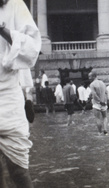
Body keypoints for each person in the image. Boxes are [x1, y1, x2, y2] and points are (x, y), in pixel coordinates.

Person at [0, 0, 41, 187]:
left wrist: (3, 31)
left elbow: (33, 48)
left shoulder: (14, 5)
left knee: (19, 170)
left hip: (8, 95)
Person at [89, 71, 108, 135]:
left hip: (97, 103)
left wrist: (99, 101)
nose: (89, 78)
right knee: (105, 117)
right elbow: (106, 92)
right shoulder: (102, 82)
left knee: (98, 118)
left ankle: (100, 133)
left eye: (90, 76)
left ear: (94, 76)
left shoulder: (92, 84)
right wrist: (104, 101)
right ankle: (105, 130)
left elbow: (94, 94)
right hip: (104, 103)